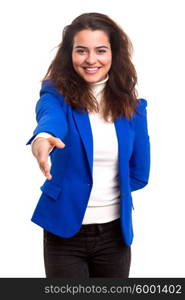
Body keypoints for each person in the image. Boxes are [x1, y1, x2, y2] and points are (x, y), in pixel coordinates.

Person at [26, 12, 150, 278]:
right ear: (69, 55)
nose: (91, 60)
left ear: (114, 54)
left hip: (115, 235)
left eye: (101, 50)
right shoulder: (55, 95)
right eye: (81, 51)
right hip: (64, 232)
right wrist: (42, 137)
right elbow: (50, 119)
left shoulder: (134, 109)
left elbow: (139, 174)